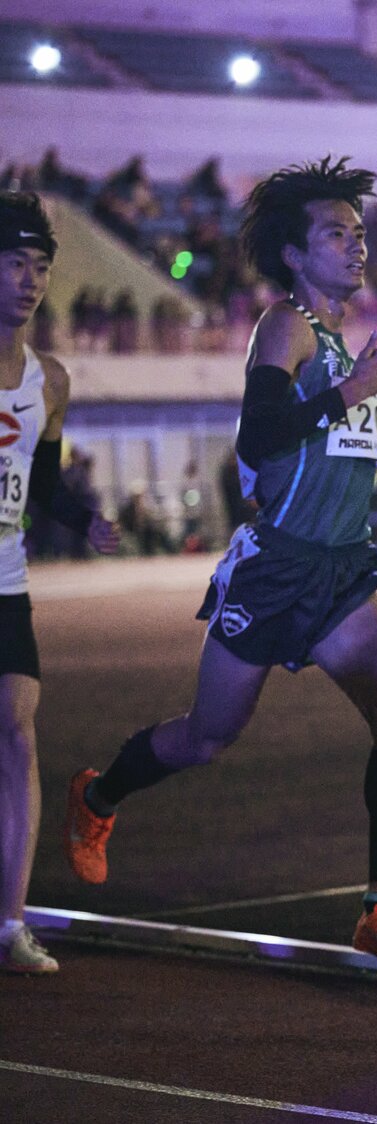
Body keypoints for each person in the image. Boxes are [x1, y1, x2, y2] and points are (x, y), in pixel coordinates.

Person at [62, 157, 377, 969]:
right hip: (275, 569)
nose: (356, 245)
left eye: (359, 232)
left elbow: (317, 438)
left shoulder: (339, 343)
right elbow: (260, 436)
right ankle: (97, 795)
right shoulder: (285, 326)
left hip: (342, 570)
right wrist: (352, 395)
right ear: (295, 254)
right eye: (335, 233)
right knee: (208, 737)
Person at [0, 193, 121, 973]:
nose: (31, 280)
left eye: (41, 266)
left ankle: (9, 926)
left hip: (7, 584)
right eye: (15, 263)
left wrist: (85, 522)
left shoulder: (50, 380)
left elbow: (41, 482)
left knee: (18, 732)